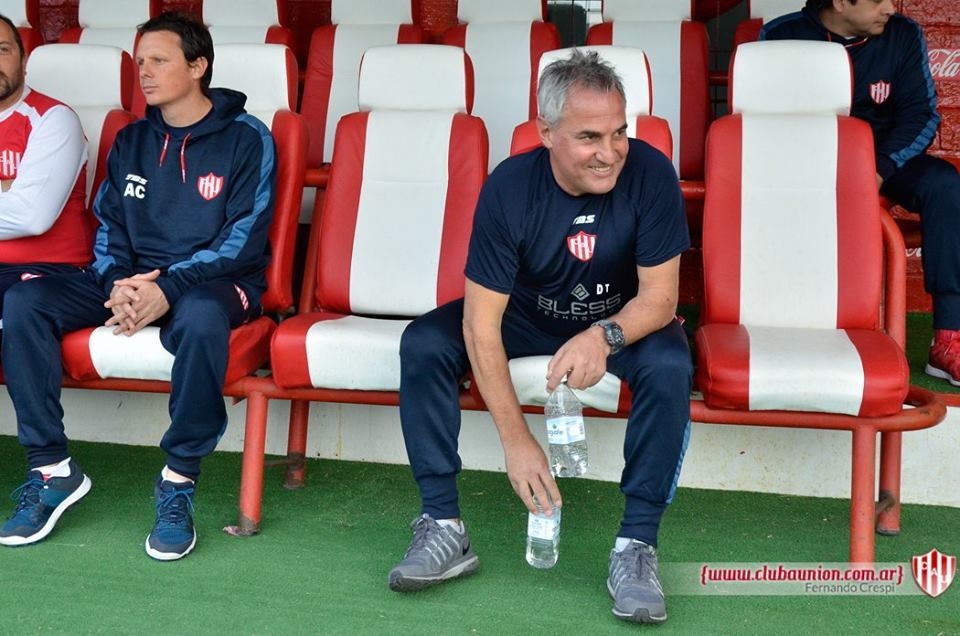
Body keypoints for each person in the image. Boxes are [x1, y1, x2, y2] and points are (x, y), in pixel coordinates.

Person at [388, 49, 692, 624]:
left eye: (619, 132)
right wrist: (516, 440)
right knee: (424, 343)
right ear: (547, 132)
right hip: (526, 317)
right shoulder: (510, 186)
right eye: (589, 137)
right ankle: (443, 524)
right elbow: (481, 323)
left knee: (671, 365)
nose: (610, 152)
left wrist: (603, 336)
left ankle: (636, 546)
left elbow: (660, 299)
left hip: (621, 319)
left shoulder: (650, 173)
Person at [0, 11, 276, 561]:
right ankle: (51, 468)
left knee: (201, 317)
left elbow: (242, 238)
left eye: (159, 61)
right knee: (26, 300)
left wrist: (168, 287)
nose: (144, 72)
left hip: (214, 282)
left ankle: (178, 479)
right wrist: (118, 284)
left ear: (197, 66)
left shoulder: (248, 137)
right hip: (131, 281)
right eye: (140, 61)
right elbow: (107, 227)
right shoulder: (131, 139)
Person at [761, 1, 960, 385]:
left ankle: (949, 336)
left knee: (945, 185)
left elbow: (921, 115)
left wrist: (878, 169)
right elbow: (764, 122)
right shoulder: (781, 37)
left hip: (884, 160)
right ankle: (776, 325)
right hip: (809, 164)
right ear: (840, 2)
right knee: (764, 190)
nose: (889, 7)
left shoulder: (902, 33)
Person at [0, 13, 91, 333]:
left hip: (45, 272)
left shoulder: (54, 119)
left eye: (2, 50)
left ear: (23, 61)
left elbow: (31, 216)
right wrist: (8, 188)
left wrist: (17, 194)